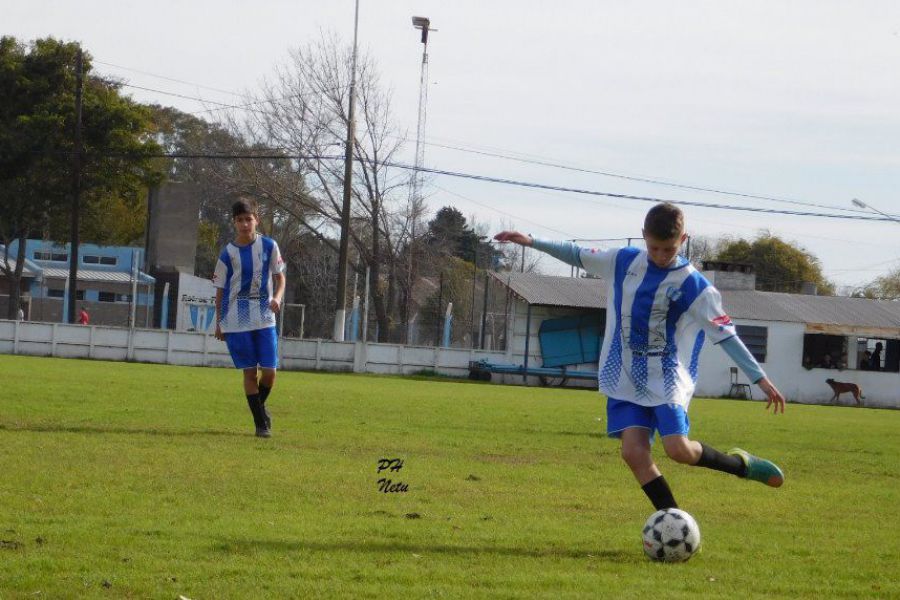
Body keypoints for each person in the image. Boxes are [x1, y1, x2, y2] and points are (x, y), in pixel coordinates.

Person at [494, 202, 786, 513]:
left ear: (683, 240)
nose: (661, 256)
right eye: (655, 248)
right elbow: (575, 253)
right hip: (624, 376)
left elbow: (726, 335)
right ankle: (672, 520)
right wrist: (531, 240)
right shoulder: (623, 261)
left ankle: (741, 465)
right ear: (643, 236)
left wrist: (760, 379)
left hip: (667, 378)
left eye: (669, 249)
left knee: (678, 450)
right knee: (633, 453)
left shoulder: (695, 286)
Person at [213, 198, 286, 438]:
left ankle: (260, 410)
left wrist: (277, 297)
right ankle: (260, 424)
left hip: (265, 314)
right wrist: (219, 322)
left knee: (270, 372)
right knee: (249, 372)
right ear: (234, 222)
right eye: (240, 220)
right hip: (237, 316)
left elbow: (280, 278)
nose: (245, 224)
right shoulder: (228, 253)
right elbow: (221, 290)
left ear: (257, 219)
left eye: (249, 219)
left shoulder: (269, 245)